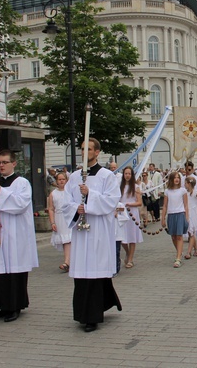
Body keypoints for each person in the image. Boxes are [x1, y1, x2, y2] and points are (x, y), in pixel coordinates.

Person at [60, 138, 122, 332]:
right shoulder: (74, 176)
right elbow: (65, 202)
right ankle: (81, 313)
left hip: (98, 231)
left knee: (95, 270)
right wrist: (76, 208)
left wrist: (90, 195)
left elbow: (111, 201)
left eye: (88, 149)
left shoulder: (106, 176)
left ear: (97, 152)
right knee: (82, 271)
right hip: (80, 230)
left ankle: (93, 316)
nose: (84, 152)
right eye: (81, 149)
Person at [0, 150, 39, 323]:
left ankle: (15, 306)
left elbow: (21, 204)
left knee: (14, 271)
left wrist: (1, 192)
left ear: (14, 164)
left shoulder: (22, 183)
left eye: (5, 162)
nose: (1, 165)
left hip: (15, 235)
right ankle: (2, 305)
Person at [161, 172, 188, 268]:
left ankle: (178, 258)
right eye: (175, 178)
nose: (177, 179)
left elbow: (185, 205)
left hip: (180, 214)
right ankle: (179, 252)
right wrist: (163, 218)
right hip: (171, 215)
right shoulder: (167, 191)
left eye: (178, 178)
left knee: (179, 236)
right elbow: (164, 206)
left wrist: (187, 217)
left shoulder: (183, 190)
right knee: (173, 236)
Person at [47, 171, 72, 272]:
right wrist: (52, 222)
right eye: (59, 179)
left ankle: (67, 262)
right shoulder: (53, 193)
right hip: (59, 217)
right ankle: (68, 261)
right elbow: (51, 208)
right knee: (65, 240)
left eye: (63, 179)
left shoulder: (70, 192)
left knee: (69, 240)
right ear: (56, 181)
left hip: (69, 217)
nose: (61, 181)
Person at [119, 166, 143, 268]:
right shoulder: (120, 187)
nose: (127, 175)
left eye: (129, 174)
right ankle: (128, 252)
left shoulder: (136, 187)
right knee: (121, 237)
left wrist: (129, 204)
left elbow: (139, 202)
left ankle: (130, 259)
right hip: (122, 214)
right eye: (125, 174)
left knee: (132, 236)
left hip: (132, 213)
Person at [184, 176, 197, 258]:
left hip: (193, 214)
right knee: (190, 232)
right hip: (186, 213)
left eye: (185, 183)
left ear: (189, 184)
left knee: (191, 233)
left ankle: (188, 252)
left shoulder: (196, 192)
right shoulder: (184, 193)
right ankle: (196, 248)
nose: (184, 184)